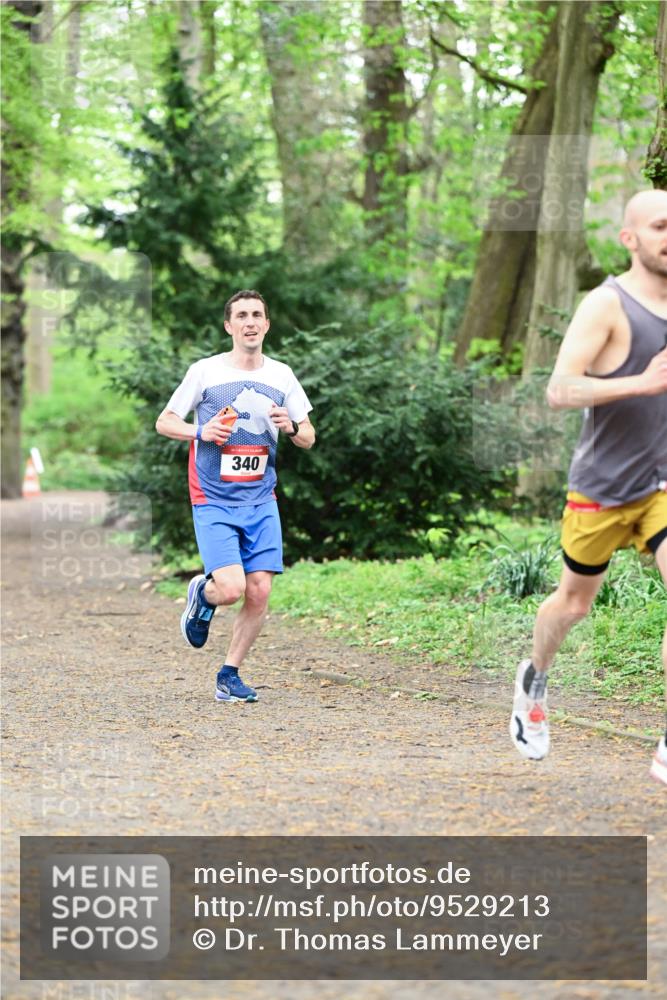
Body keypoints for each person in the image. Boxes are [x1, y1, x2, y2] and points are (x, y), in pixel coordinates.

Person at [509, 190, 667, 786]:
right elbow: (560, 389)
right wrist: (638, 384)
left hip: (663, 487)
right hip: (603, 488)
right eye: (659, 226)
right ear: (630, 238)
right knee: (574, 603)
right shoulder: (608, 304)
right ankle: (535, 676)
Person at [156, 290, 315, 703]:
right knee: (230, 589)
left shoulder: (282, 375)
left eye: (257, 315)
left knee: (259, 590)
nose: (250, 322)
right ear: (229, 326)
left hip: (261, 498)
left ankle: (229, 675)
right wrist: (200, 431)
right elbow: (165, 421)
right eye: (241, 315)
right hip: (212, 495)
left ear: (266, 324)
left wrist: (292, 427)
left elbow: (309, 436)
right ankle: (203, 594)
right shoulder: (205, 372)